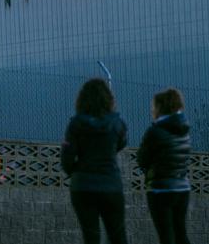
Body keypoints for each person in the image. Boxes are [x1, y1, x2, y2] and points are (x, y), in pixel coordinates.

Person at [61, 78, 128, 244]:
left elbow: (67, 159)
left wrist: (77, 171)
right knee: (117, 235)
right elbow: (121, 144)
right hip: (111, 185)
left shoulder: (75, 124)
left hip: (83, 186)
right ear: (109, 99)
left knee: (91, 237)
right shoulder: (117, 123)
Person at [137, 88, 192, 244]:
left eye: (154, 106)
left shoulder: (155, 131)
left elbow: (142, 158)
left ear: (160, 107)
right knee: (181, 233)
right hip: (183, 187)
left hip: (160, 188)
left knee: (166, 235)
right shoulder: (184, 131)